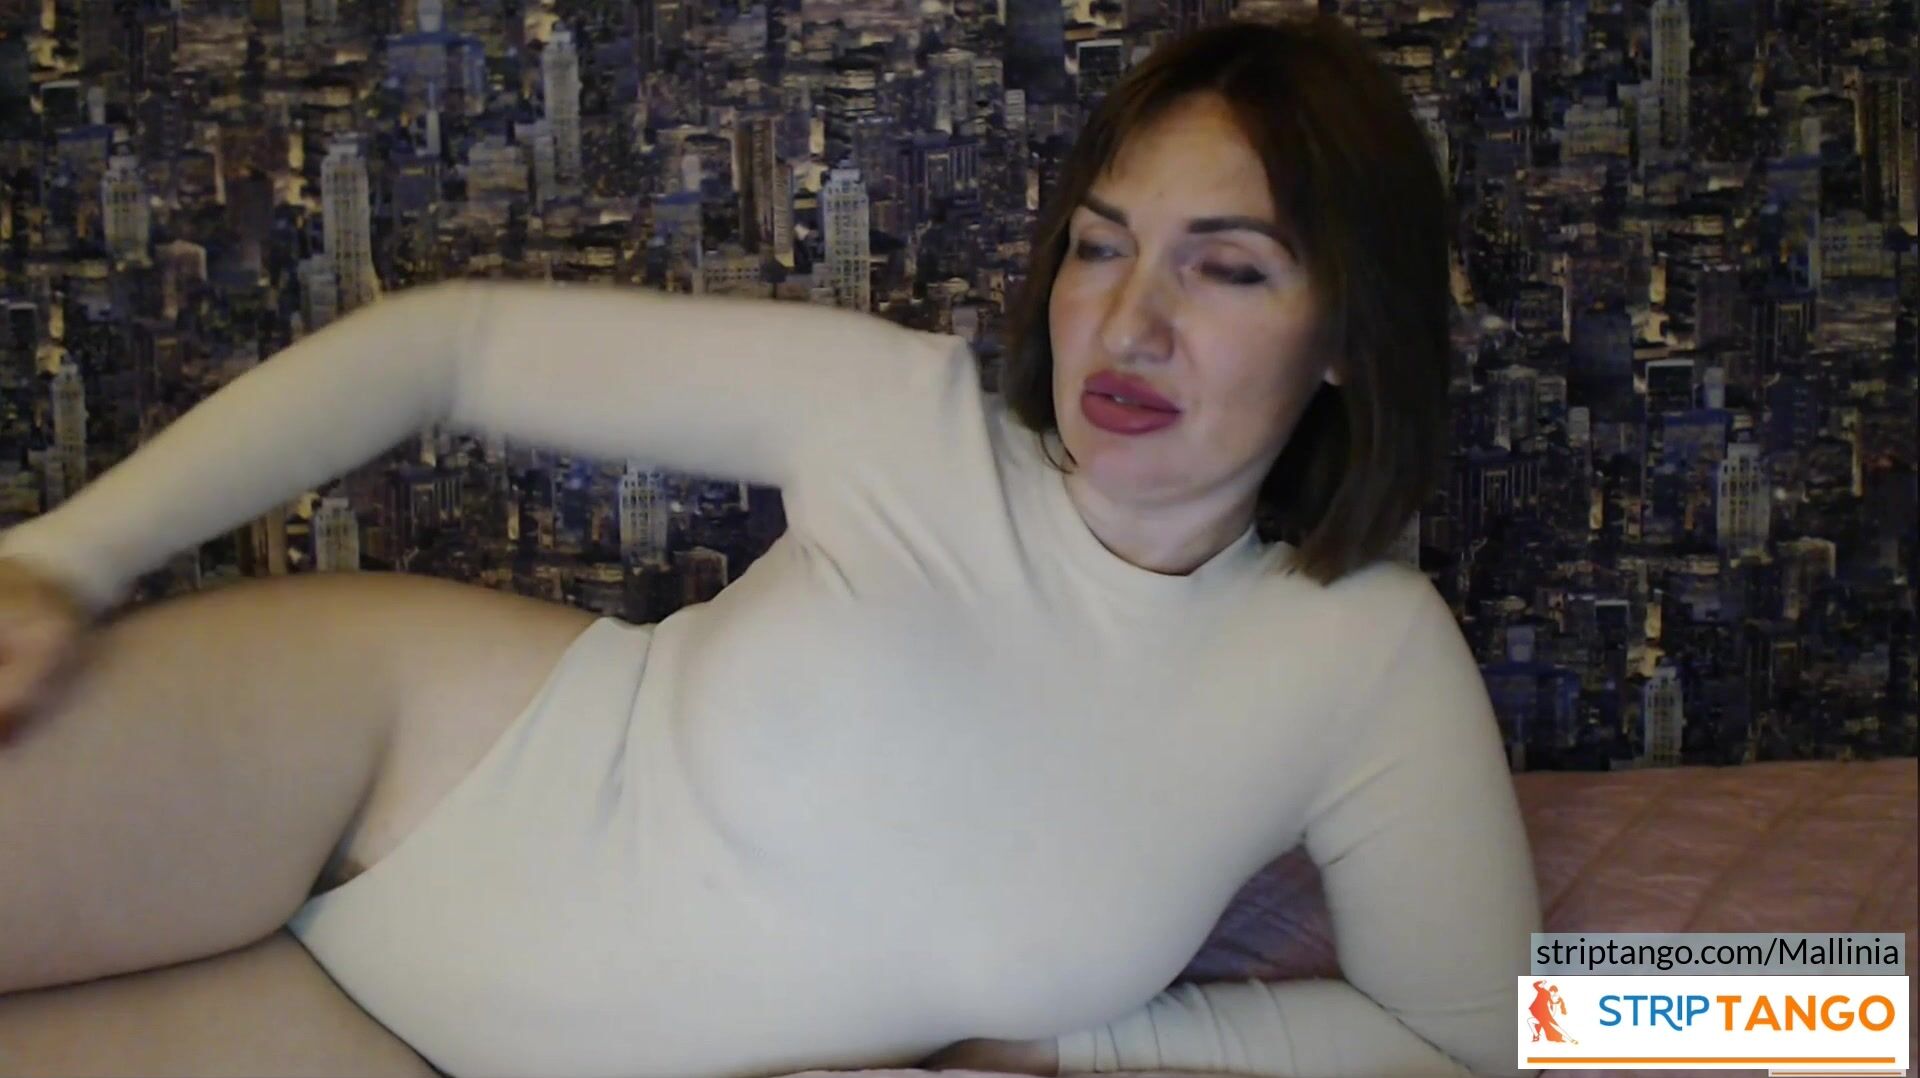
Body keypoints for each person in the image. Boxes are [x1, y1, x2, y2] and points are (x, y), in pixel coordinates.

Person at [0, 15, 1543, 1078]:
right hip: (365, 753)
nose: (1130, 321)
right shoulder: (904, 417)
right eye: (1099, 244)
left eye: (1229, 269)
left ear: (1347, 334)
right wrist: (68, 556)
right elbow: (453, 348)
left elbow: (1506, 1038)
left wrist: (1079, 1044)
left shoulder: (1363, 653)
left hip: (380, 1045)